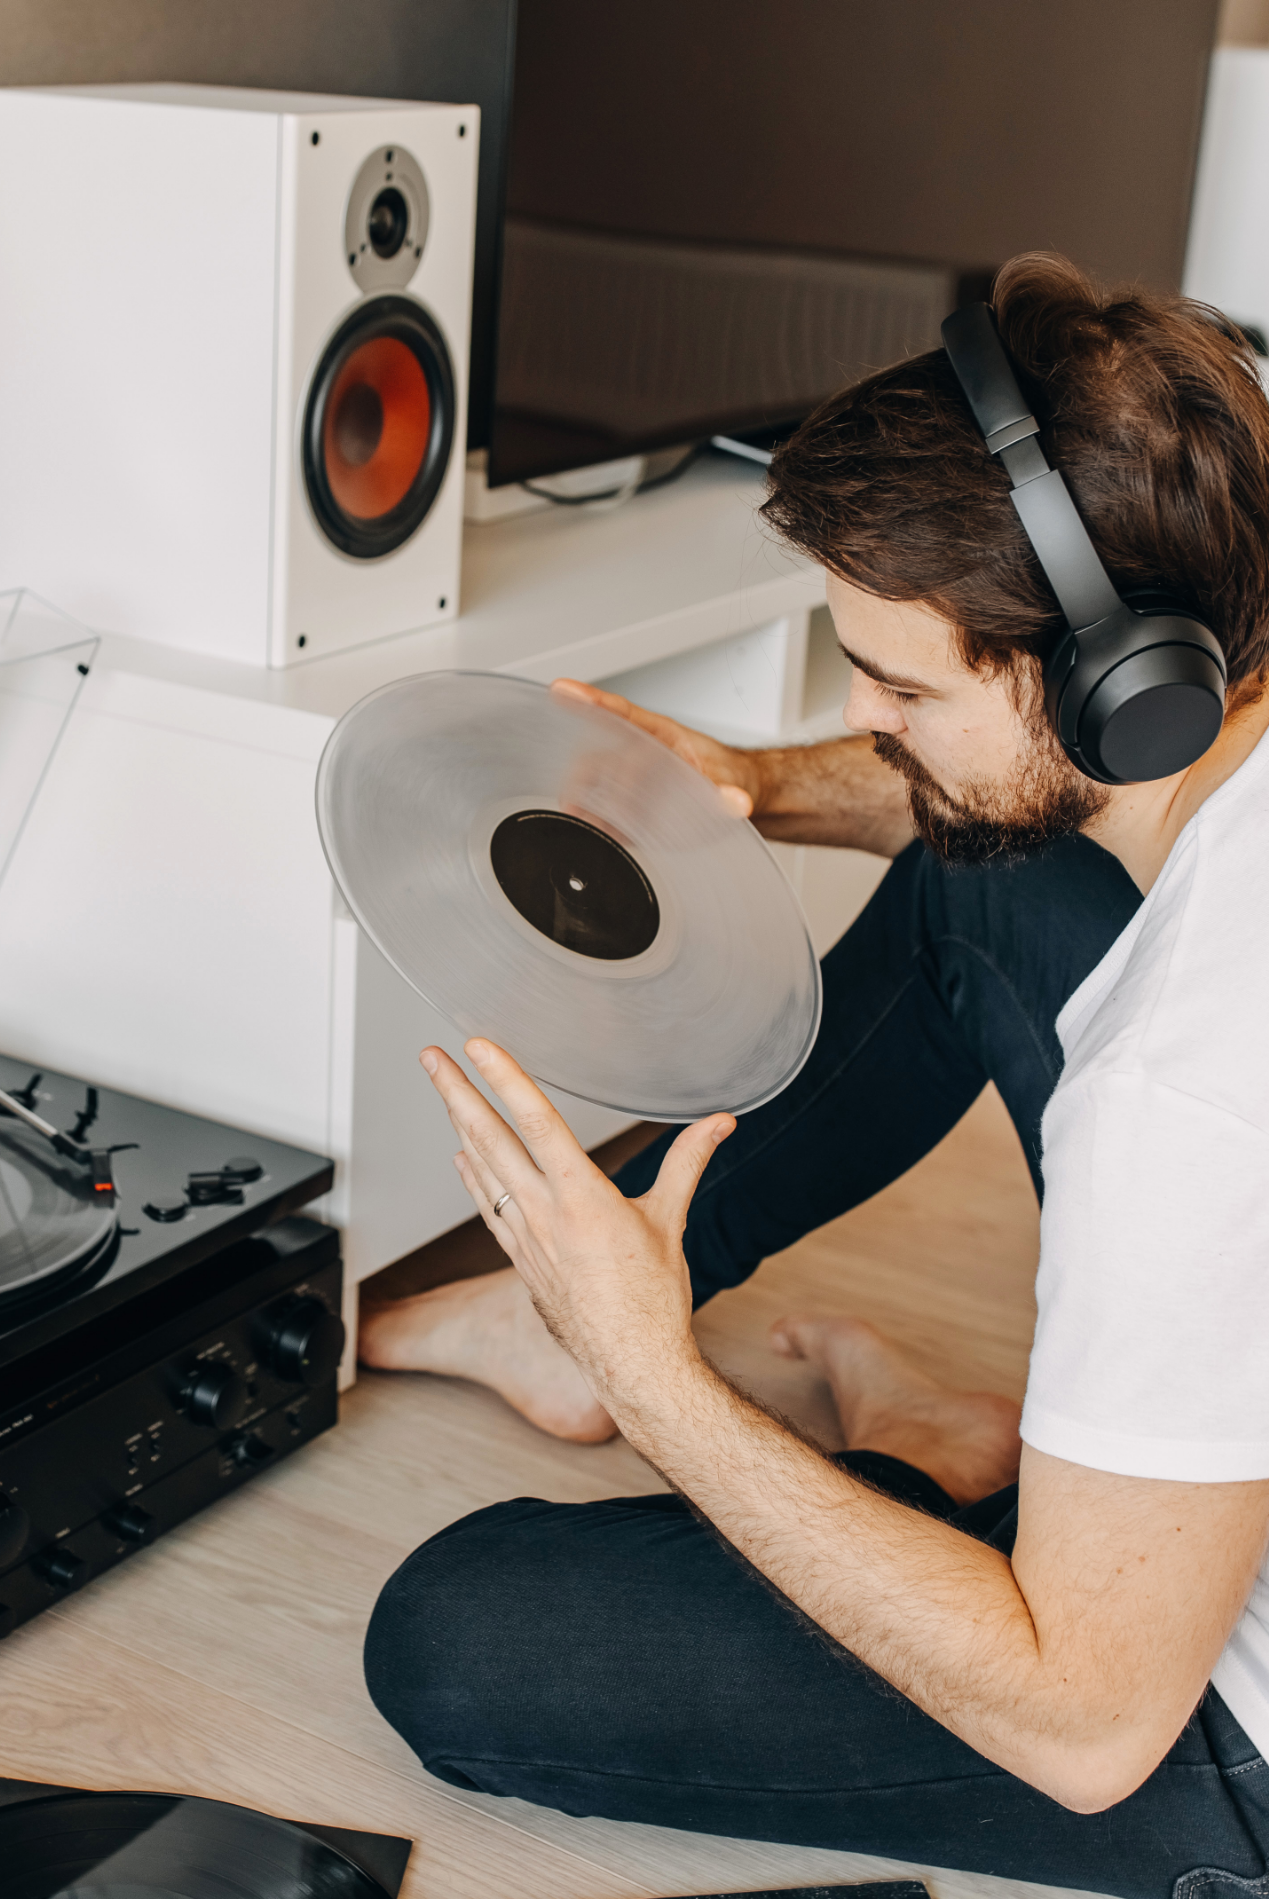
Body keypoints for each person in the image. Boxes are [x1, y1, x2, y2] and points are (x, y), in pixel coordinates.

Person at [359, 255, 1269, 1897]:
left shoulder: (1185, 1084)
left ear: (1117, 696)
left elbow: (1089, 1723)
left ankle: (897, 1451)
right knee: (981, 878)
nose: (866, 714)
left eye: (901, 688)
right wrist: (755, 785)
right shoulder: (1221, 684)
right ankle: (606, 1345)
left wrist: (662, 1381)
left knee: (457, 1630)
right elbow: (997, 806)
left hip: (1205, 1732)